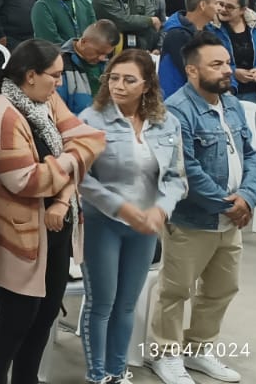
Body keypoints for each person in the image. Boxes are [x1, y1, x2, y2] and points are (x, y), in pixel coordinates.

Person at [0, 39, 106, 384]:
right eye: (55, 76)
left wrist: (63, 194)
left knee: (46, 313)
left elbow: (90, 140)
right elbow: (25, 180)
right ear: (31, 75)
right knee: (17, 318)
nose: (59, 84)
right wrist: (67, 162)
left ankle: (26, 379)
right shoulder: (1, 113)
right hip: (18, 232)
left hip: (57, 222)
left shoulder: (45, 98)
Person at [151, 32, 256, 384]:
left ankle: (199, 349)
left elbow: (251, 155)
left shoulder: (232, 104)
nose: (228, 70)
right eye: (217, 65)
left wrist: (248, 197)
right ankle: (165, 353)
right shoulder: (177, 111)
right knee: (176, 290)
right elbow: (185, 168)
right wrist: (227, 204)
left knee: (221, 289)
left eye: (227, 62)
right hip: (194, 219)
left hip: (231, 217)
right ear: (193, 71)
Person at [76, 49, 187, 384]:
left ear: (147, 85)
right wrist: (121, 208)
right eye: (113, 78)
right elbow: (81, 178)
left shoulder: (166, 122)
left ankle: (117, 370)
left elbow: (176, 177)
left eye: (129, 80)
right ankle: (97, 376)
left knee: (127, 304)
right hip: (103, 224)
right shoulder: (90, 121)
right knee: (102, 304)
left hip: (146, 226)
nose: (119, 86)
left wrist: (160, 210)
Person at [158, 0, 224, 97]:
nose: (220, 9)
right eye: (216, 4)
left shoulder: (209, 33)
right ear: (202, 5)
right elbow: (191, 71)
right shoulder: (176, 34)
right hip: (176, 101)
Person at [56, 20, 119, 114]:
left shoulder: (108, 66)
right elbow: (56, 111)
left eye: (106, 54)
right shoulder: (59, 64)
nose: (102, 58)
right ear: (84, 41)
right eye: (98, 52)